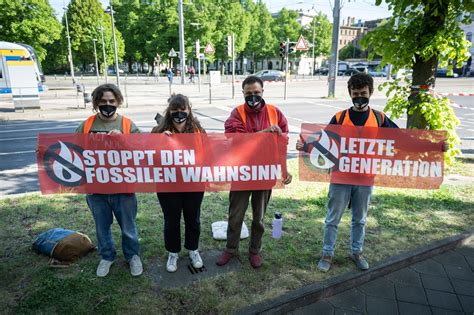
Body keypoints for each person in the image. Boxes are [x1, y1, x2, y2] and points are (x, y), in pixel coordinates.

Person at [297, 73, 402, 272]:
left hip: (365, 178)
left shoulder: (379, 118)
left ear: (371, 92)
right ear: (350, 94)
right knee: (332, 218)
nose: (359, 98)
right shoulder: (339, 117)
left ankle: (357, 252)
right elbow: (324, 142)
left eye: (363, 93)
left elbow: (402, 138)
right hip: (340, 177)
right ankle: (327, 254)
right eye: (355, 94)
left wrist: (432, 146)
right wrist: (305, 147)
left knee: (360, 219)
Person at [216, 75, 292, 269]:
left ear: (262, 92)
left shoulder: (276, 113)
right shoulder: (237, 113)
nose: (253, 96)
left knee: (258, 217)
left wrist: (285, 170)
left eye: (256, 93)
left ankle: (254, 251)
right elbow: (236, 140)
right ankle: (231, 249)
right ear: (243, 93)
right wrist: (264, 134)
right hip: (242, 172)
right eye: (249, 93)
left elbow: (282, 145)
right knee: (236, 215)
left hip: (265, 173)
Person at [75, 83, 143, 277]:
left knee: (128, 227)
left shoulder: (127, 125)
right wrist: (46, 151)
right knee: (101, 227)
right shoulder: (87, 125)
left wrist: (124, 140)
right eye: (103, 101)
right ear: (96, 103)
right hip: (95, 188)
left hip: (123, 187)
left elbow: (143, 149)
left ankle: (133, 256)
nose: (107, 105)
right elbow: (70, 147)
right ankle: (107, 256)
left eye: (112, 101)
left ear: (118, 102)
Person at [151, 94, 206, 273]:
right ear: (169, 112)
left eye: (183, 110)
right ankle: (173, 251)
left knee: (193, 218)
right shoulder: (159, 131)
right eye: (175, 110)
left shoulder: (198, 130)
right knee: (171, 220)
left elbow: (208, 152)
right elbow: (148, 156)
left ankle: (193, 249)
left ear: (189, 111)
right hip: (168, 185)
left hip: (193, 183)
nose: (179, 114)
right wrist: (160, 141)